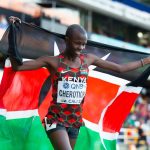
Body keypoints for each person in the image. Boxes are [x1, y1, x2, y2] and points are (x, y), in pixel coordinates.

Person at [8, 16, 150, 150]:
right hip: (55, 120)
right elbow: (18, 66)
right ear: (67, 40)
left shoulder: (88, 60)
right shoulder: (53, 61)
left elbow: (120, 68)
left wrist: (147, 60)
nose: (81, 47)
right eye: (78, 43)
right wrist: (13, 33)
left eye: (84, 44)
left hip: (75, 122)